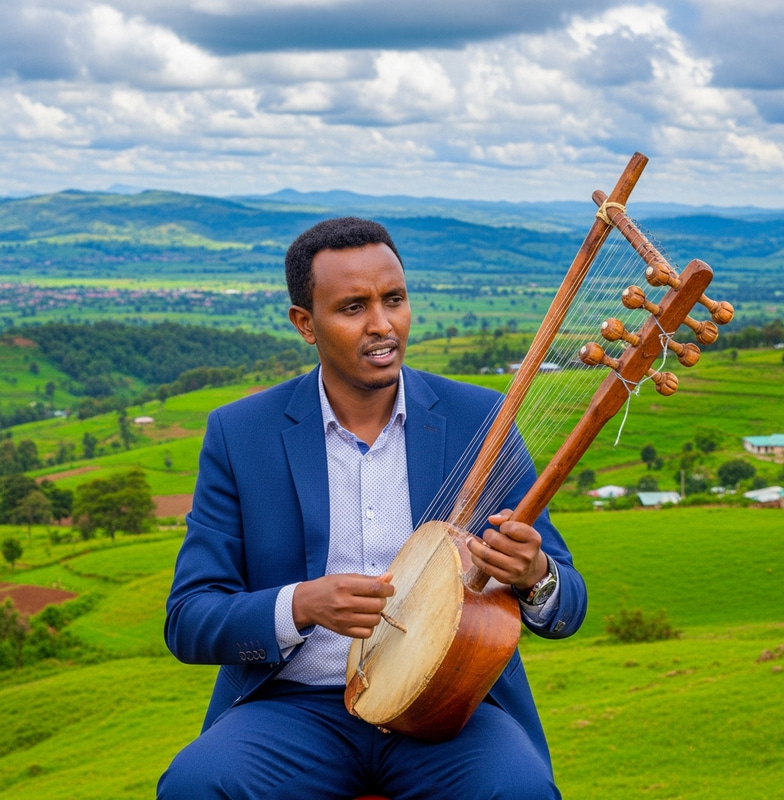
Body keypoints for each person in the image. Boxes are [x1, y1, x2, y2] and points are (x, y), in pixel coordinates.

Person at [157, 217, 587, 800]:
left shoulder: (483, 421)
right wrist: (300, 604)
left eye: (394, 300)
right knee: (197, 786)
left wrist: (535, 577)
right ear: (305, 324)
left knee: (518, 790)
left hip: (450, 714)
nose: (382, 325)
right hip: (291, 709)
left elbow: (568, 606)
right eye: (353, 307)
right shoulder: (241, 434)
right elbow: (189, 618)